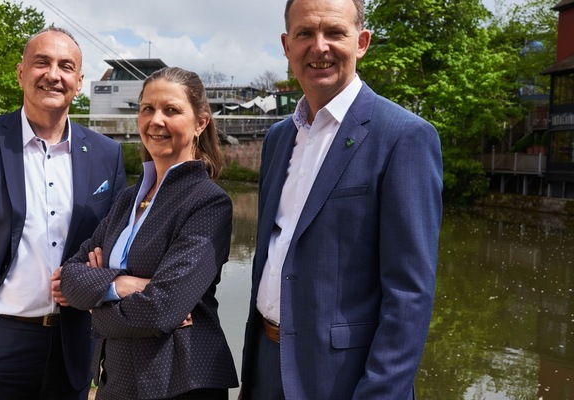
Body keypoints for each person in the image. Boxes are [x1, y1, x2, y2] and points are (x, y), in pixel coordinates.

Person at [239, 0, 443, 398]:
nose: (319, 47)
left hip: (341, 379)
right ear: (286, 45)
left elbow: (409, 296)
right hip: (265, 365)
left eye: (334, 32)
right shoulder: (279, 138)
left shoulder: (404, 137)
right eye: (304, 34)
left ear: (361, 42)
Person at [0, 26, 126, 400]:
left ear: (79, 82)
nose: (53, 74)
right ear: (21, 73)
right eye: (41, 63)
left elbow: (116, 247)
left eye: (66, 66)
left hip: (73, 344)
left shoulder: (106, 155)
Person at [55, 67, 239, 399]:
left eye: (171, 110)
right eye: (147, 109)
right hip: (118, 380)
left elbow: (160, 310)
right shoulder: (129, 198)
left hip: (177, 382)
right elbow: (68, 276)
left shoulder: (208, 203)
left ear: (200, 122)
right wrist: (121, 285)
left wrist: (94, 303)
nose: (156, 120)